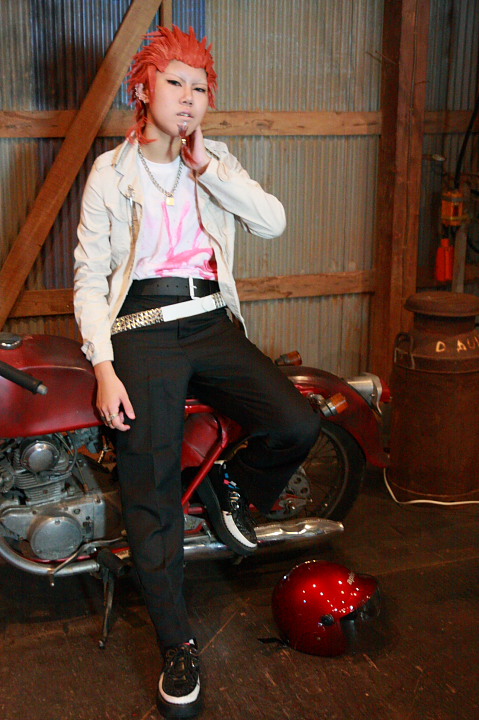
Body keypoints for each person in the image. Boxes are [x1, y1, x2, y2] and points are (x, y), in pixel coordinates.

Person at [74, 25, 320, 720]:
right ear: (143, 87)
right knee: (149, 491)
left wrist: (209, 168)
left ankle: (226, 486)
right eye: (175, 82)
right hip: (140, 331)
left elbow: (272, 222)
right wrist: (103, 366)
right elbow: (89, 278)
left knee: (297, 422)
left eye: (201, 88)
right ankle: (177, 644)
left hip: (211, 321)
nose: (189, 98)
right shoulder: (110, 173)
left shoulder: (214, 163)